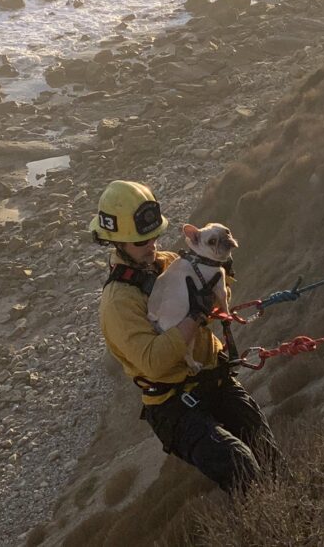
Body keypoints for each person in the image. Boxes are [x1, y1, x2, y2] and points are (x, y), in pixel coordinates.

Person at [90, 179, 282, 491]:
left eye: (154, 236)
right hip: (173, 404)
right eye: (142, 241)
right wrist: (195, 316)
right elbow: (155, 362)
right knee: (240, 466)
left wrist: (220, 272)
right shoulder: (118, 303)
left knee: (267, 452)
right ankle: (269, 519)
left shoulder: (169, 262)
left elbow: (218, 293)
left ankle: (295, 515)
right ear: (118, 243)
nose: (152, 246)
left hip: (214, 378)